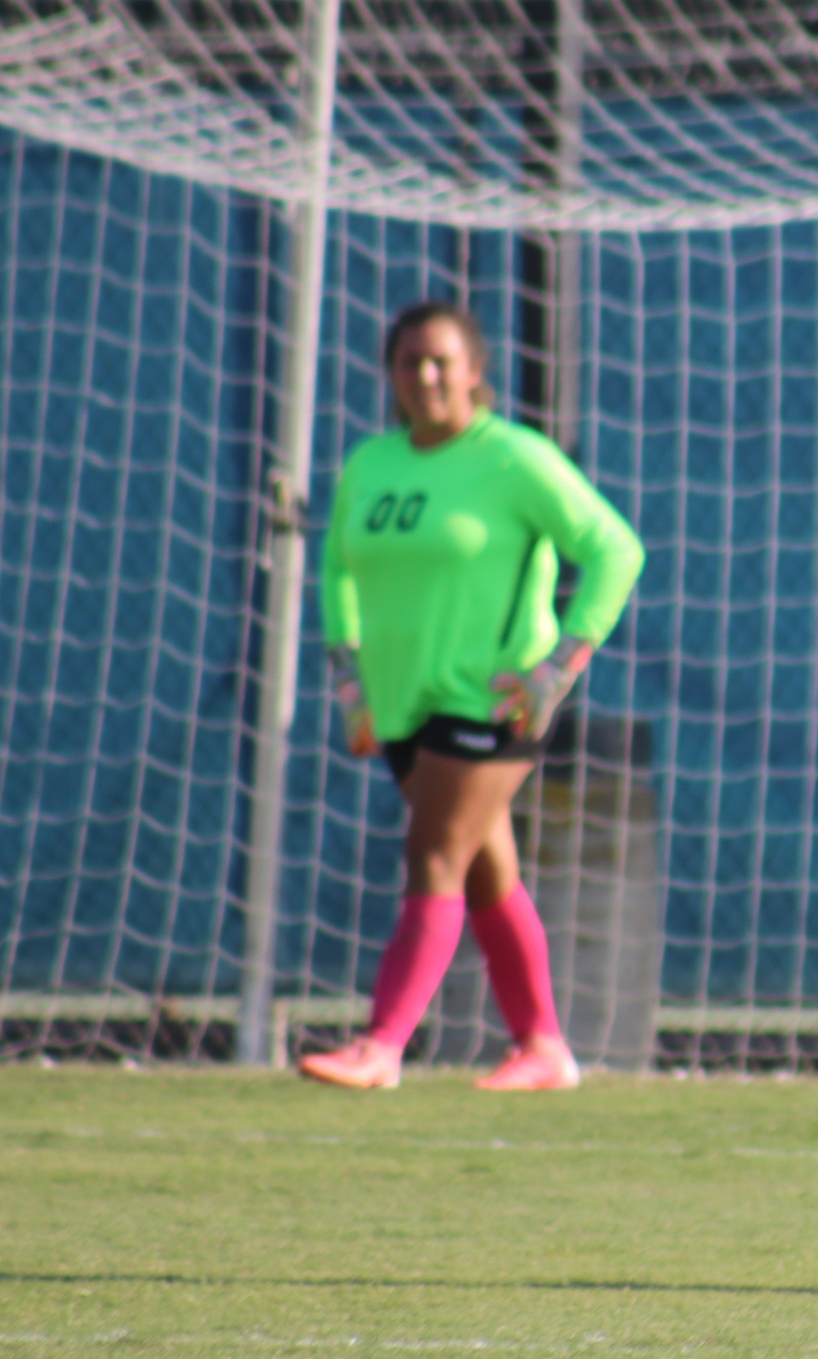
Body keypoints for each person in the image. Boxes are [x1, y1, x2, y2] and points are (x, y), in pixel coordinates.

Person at [298, 301, 646, 1092]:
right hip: (398, 708)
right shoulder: (371, 463)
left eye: (441, 360)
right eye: (408, 360)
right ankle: (545, 1048)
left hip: (493, 702)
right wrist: (348, 676)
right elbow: (337, 570)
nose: (424, 375)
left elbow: (616, 548)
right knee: (487, 873)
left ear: (475, 371)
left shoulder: (513, 458)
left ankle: (382, 1044)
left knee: (435, 855)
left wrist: (558, 666)